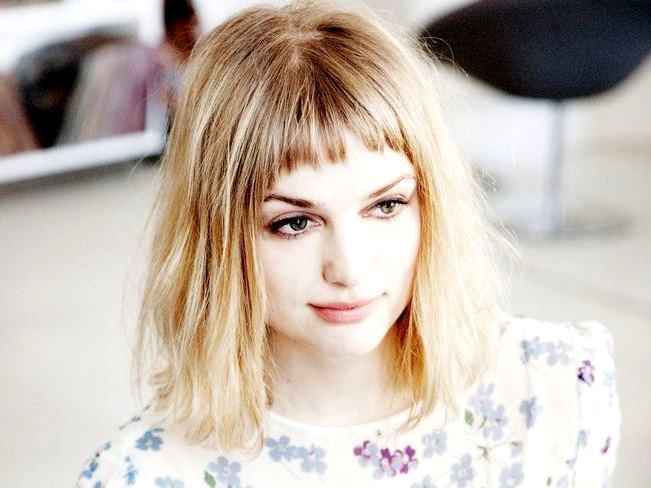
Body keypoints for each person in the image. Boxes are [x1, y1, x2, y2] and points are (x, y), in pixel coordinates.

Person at [75, 1, 621, 486]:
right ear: (217, 236)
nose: (350, 268)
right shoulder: (145, 473)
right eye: (294, 223)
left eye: (386, 206)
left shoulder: (553, 391)